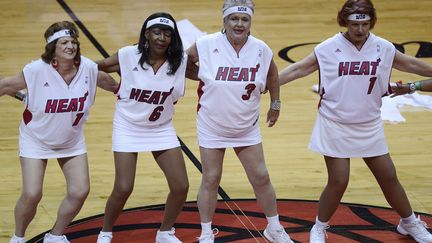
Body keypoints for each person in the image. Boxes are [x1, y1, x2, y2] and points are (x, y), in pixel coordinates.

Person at [278, 0, 432, 242]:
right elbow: (298, 69)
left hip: (369, 123)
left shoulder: (383, 47)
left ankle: (409, 222)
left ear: (371, 22)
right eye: (353, 24)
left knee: (388, 177)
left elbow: (411, 64)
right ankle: (319, 227)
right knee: (339, 180)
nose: (359, 30)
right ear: (344, 22)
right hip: (334, 122)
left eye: (364, 24)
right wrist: (265, 84)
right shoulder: (328, 48)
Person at [0, 21, 118, 243]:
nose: (70, 46)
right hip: (36, 139)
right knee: (32, 194)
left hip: (71, 141)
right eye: (64, 42)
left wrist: (129, 92)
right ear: (52, 47)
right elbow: (5, 86)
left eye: (73, 42)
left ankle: (55, 236)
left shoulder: (89, 69)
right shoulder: (35, 70)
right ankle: (17, 237)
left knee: (80, 191)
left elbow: (111, 84)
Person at [186, 1, 293, 242]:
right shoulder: (205, 44)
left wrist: (275, 104)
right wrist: (201, 76)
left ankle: (274, 228)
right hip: (212, 124)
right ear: (224, 21)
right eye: (234, 19)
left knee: (261, 177)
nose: (239, 24)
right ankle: (205, 233)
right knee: (211, 178)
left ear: (250, 23)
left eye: (244, 20)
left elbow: (273, 74)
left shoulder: (260, 49)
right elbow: (184, 62)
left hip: (246, 126)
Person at [95, 12, 189, 243]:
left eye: (167, 33)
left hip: (161, 128)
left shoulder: (181, 61)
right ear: (147, 34)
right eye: (157, 32)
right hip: (128, 126)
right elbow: (96, 67)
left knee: (181, 186)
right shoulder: (128, 55)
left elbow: (209, 75)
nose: (162, 38)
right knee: (124, 187)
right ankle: (105, 232)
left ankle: (165, 232)